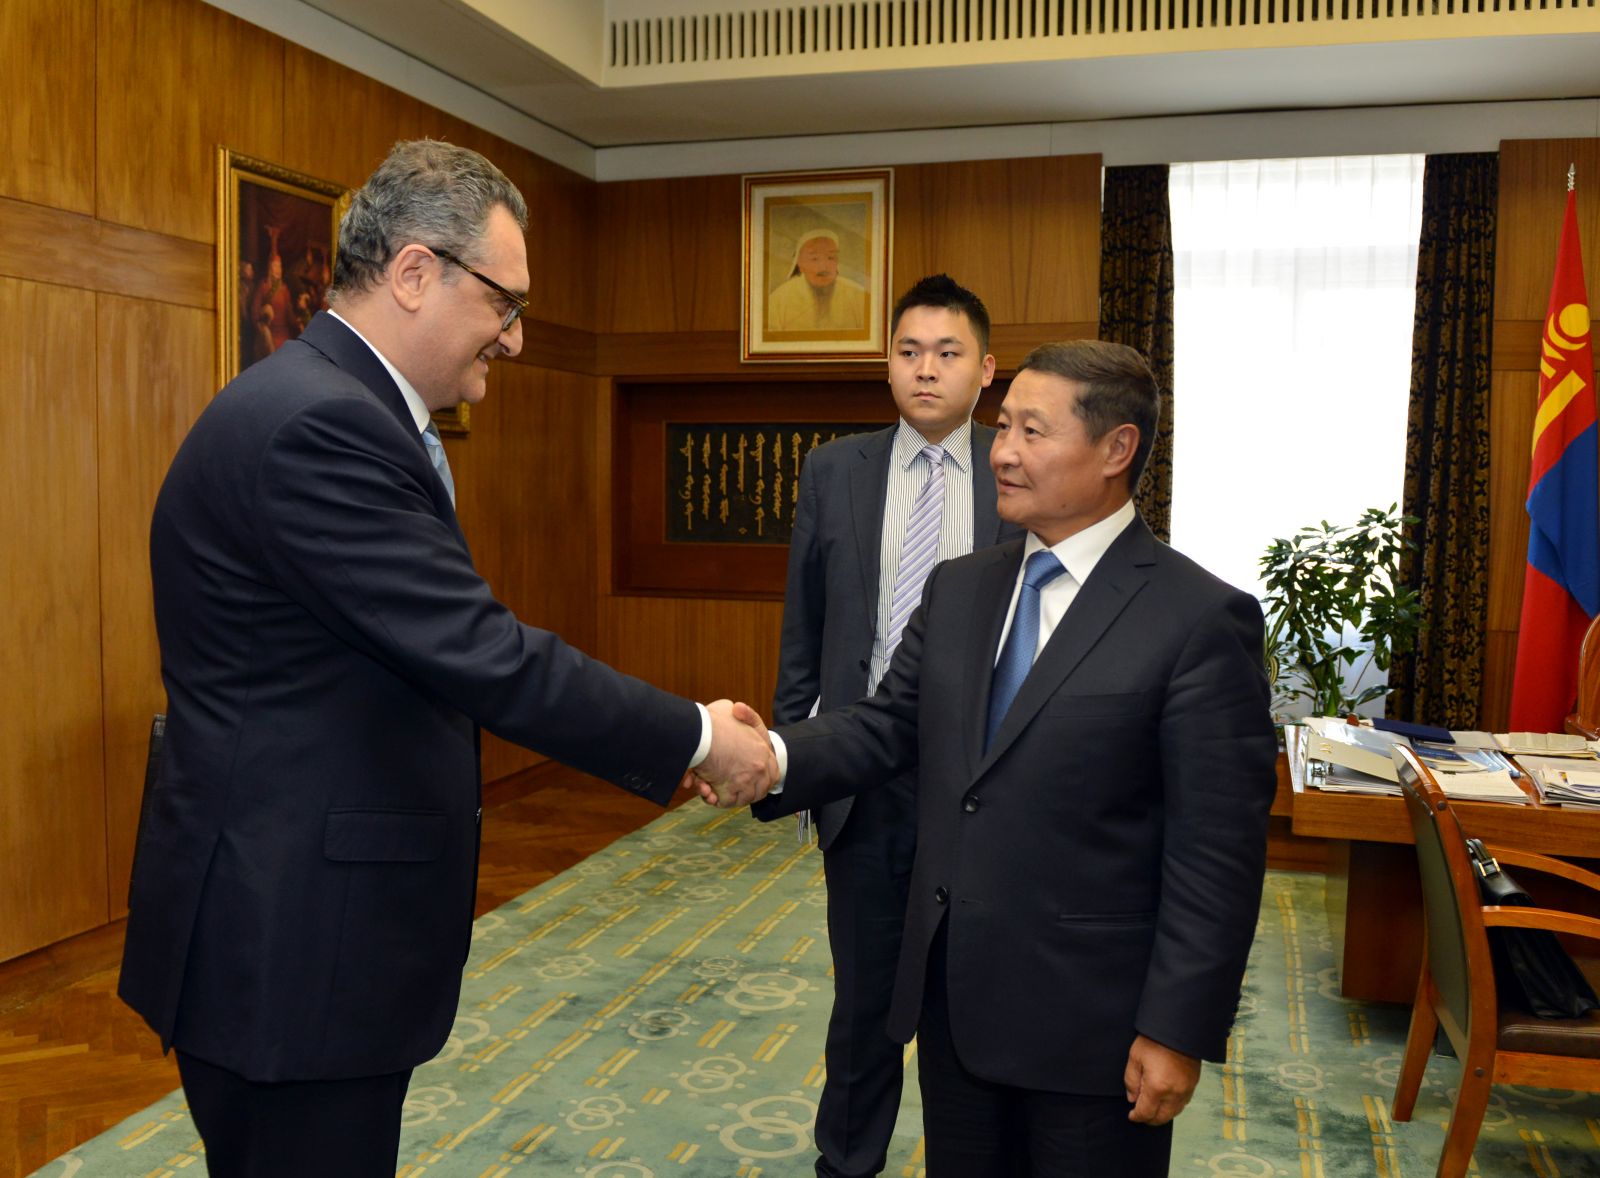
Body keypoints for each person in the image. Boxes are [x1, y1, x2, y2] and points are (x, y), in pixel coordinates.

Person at [117, 139, 774, 1177]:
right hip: (288, 944)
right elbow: (484, 653)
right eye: (503, 303)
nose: (512, 340)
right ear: (416, 273)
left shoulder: (335, 405)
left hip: (298, 927)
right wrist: (696, 733)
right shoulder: (318, 427)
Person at [726, 340, 1277, 1176]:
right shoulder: (961, 588)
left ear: (1116, 450)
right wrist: (768, 756)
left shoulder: (1199, 620)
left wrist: (1177, 1029)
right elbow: (884, 728)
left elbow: (1217, 856)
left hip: (1094, 1031)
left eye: (1031, 430)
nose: (1003, 451)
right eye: (1004, 425)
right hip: (958, 1006)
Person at [773, 274, 1016, 1177]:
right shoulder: (834, 470)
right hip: (864, 776)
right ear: (888, 364)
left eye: (948, 354)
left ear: (986, 370)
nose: (926, 371)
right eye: (909, 352)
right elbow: (805, 626)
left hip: (981, 778)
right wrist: (801, 758)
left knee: (968, 997)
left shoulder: (1018, 467)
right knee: (866, 1001)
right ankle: (848, 1162)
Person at [767, 228, 869, 332]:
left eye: (830, 257)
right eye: (814, 258)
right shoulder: (779, 300)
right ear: (800, 264)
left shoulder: (858, 295)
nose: (823, 267)